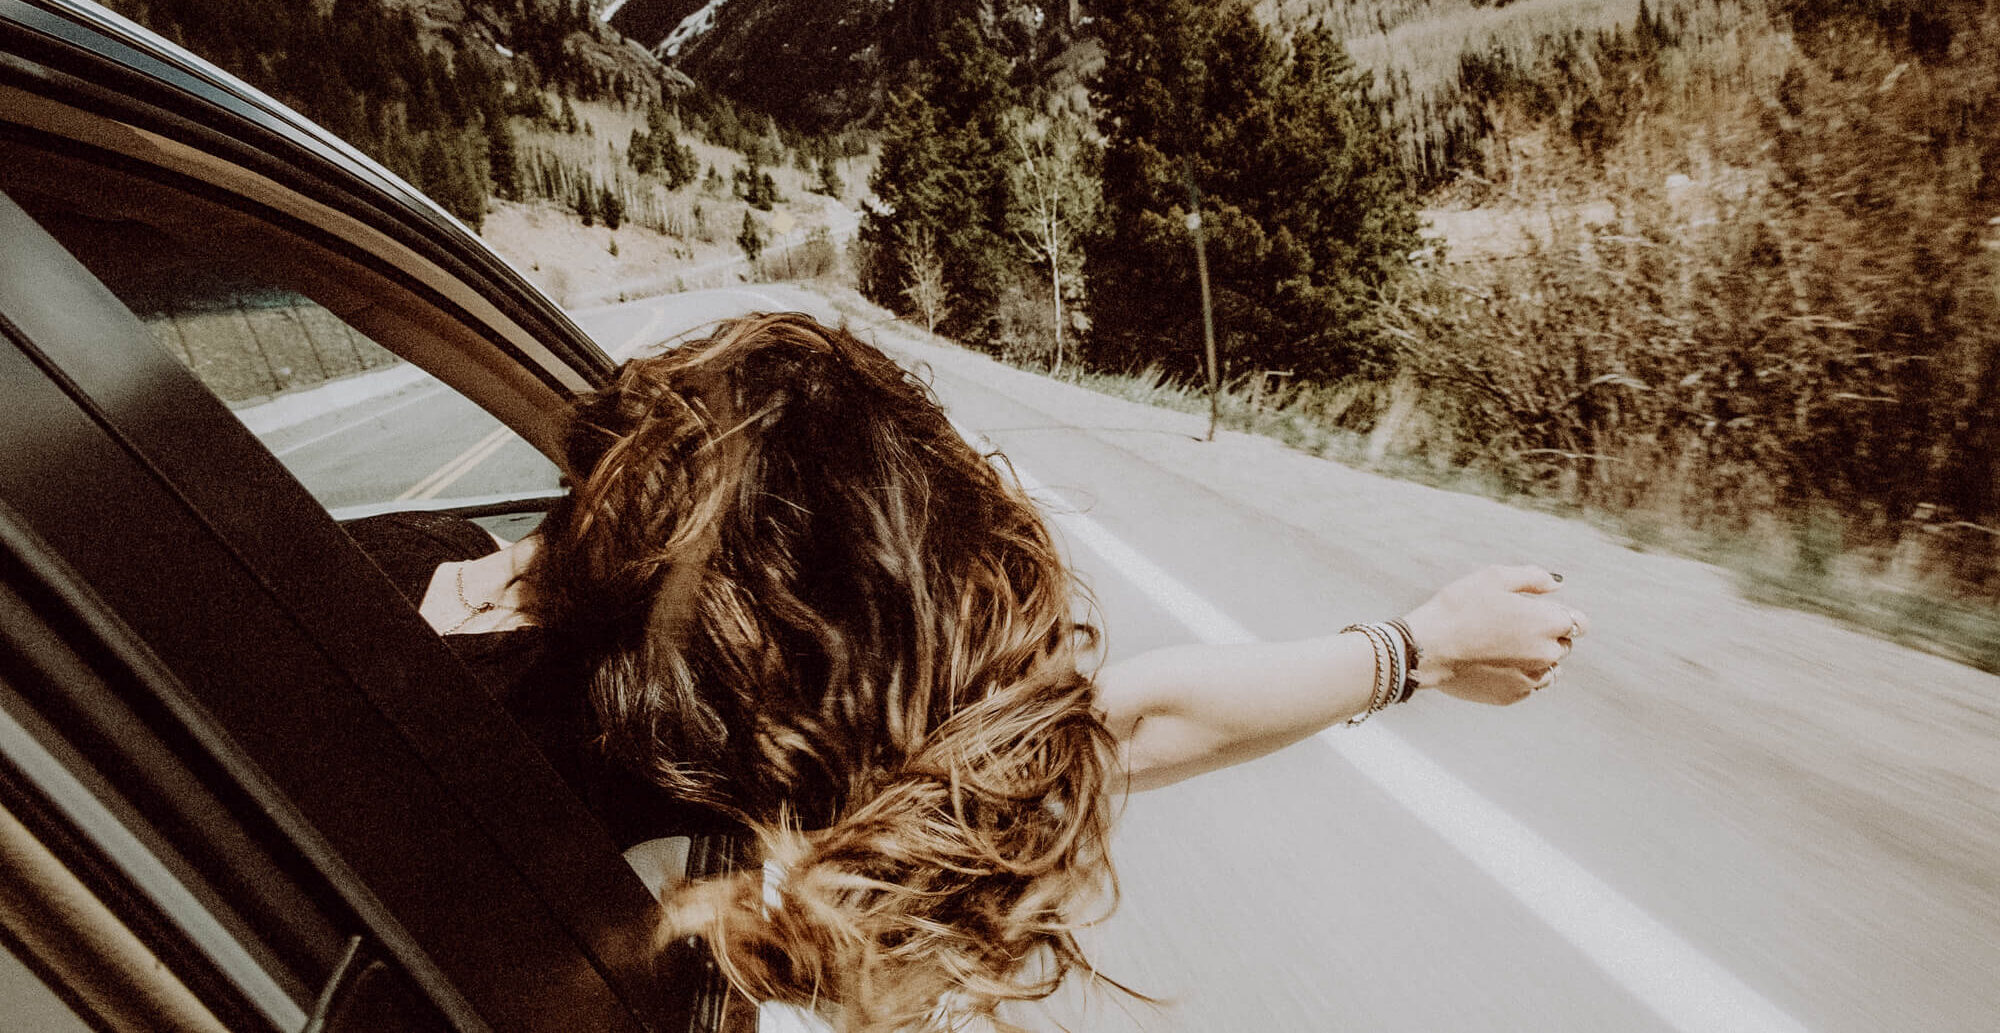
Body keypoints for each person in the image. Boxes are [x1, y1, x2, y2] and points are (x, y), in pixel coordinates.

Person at [347, 312, 1586, 1032]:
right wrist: (1414, 650)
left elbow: (1099, 725)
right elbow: (1119, 721)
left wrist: (1416, 650)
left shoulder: (358, 562)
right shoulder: (653, 749)